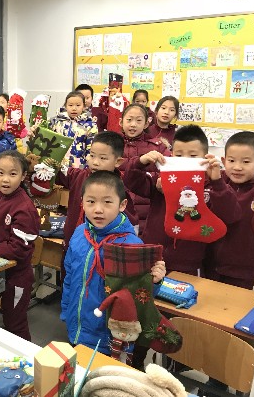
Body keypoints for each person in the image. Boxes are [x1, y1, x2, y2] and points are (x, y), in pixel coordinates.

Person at [60, 171, 166, 356]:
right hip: (76, 328)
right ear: (82, 202)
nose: (98, 209)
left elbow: (140, 296)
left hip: (110, 337)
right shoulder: (79, 234)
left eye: (107, 202)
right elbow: (69, 277)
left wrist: (154, 282)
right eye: (91, 201)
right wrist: (66, 311)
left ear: (122, 205)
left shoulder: (131, 245)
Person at [124, 125, 233, 278]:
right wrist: (140, 162)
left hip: (189, 264)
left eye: (193, 156)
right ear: (172, 155)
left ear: (205, 157)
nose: (185, 161)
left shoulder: (211, 186)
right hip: (153, 259)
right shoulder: (161, 180)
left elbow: (229, 213)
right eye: (179, 155)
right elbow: (131, 182)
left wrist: (217, 182)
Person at [56, 131, 139, 281]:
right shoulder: (78, 176)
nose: (95, 162)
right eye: (92, 155)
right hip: (75, 243)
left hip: (102, 251)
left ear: (118, 161)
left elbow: (129, 223)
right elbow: (53, 171)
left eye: (102, 158)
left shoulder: (119, 187)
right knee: (70, 278)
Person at [0, 150, 40, 340]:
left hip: (16, 275)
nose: (5, 179)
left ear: (23, 176)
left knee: (14, 322)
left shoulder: (25, 208)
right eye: (0, 173)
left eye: (13, 174)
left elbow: (18, 249)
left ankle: (26, 355)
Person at [204, 131, 254, 289]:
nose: (237, 167)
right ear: (223, 161)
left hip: (242, 270)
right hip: (208, 262)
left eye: (246, 162)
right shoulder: (215, 180)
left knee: (236, 304)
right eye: (231, 160)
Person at [119, 104, 170, 235]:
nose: (133, 124)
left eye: (139, 120)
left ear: (146, 124)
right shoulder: (113, 145)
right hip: (118, 209)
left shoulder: (158, 147)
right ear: (121, 122)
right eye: (129, 120)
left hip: (147, 211)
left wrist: (161, 181)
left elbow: (170, 171)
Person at [49, 90, 97, 169]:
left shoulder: (90, 125)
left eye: (78, 105)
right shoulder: (55, 122)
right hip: (56, 165)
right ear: (65, 106)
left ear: (84, 106)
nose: (74, 108)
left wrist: (88, 165)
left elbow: (91, 149)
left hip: (79, 167)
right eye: (70, 105)